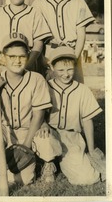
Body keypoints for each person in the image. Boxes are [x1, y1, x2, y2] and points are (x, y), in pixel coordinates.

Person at [0, 33, 54, 185]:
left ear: (28, 56)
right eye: (12, 56)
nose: (17, 61)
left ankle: (42, 162)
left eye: (22, 56)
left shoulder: (36, 79)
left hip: (28, 133)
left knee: (22, 180)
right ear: (3, 57)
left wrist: (25, 149)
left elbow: (38, 116)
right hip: (5, 133)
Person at [34, 46, 105, 184]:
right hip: (51, 134)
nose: (65, 74)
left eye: (70, 69)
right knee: (44, 139)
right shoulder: (46, 86)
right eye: (60, 70)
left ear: (75, 67)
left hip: (72, 138)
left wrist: (90, 150)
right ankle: (47, 163)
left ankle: (62, 161)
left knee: (88, 178)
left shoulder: (82, 89)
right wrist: (43, 124)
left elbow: (87, 121)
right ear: (52, 68)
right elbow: (39, 113)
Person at [32, 0, 95, 82]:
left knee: (74, 94)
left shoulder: (78, 1)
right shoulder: (39, 3)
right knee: (48, 95)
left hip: (72, 51)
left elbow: (81, 35)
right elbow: (36, 36)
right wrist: (43, 60)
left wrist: (74, 60)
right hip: (48, 53)